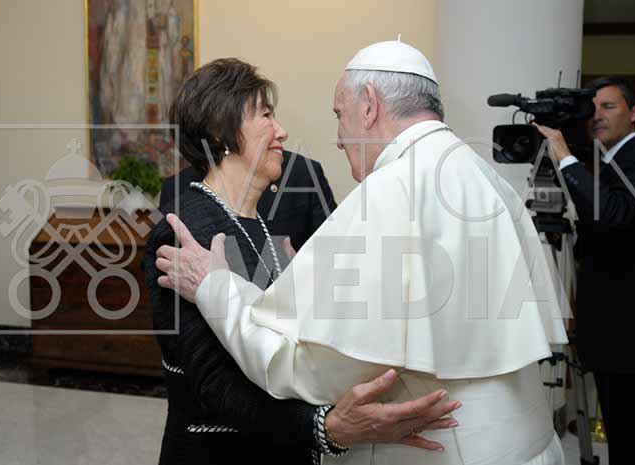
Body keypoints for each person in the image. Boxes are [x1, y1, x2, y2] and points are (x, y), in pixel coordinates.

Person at [156, 42, 569, 465]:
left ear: (369, 106)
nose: (337, 139)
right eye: (266, 116)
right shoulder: (483, 175)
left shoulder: (393, 190)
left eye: (340, 115)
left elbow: (305, 372)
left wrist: (216, 288)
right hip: (525, 442)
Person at [143, 57, 462, 465]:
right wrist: (324, 427)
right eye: (266, 115)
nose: (282, 131)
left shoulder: (264, 227)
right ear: (221, 132)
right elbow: (216, 385)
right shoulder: (185, 232)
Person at [535, 76, 635, 465]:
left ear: (634, 112)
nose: (597, 116)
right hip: (615, 334)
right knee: (624, 436)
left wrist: (564, 155)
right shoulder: (608, 164)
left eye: (608, 107)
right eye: (592, 109)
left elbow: (611, 214)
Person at [159, 149, 337, 250]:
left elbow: (335, 256)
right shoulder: (177, 188)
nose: (281, 131)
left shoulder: (302, 173)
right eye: (264, 115)